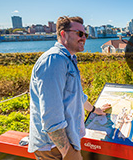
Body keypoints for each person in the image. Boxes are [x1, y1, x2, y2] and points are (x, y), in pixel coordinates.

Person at [28, 16, 111, 160]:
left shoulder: (67, 59)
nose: (84, 38)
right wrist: (69, 153)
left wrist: (94, 110)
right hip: (54, 149)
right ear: (63, 34)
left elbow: (76, 95)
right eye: (79, 34)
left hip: (62, 146)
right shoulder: (54, 61)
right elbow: (51, 117)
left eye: (85, 34)